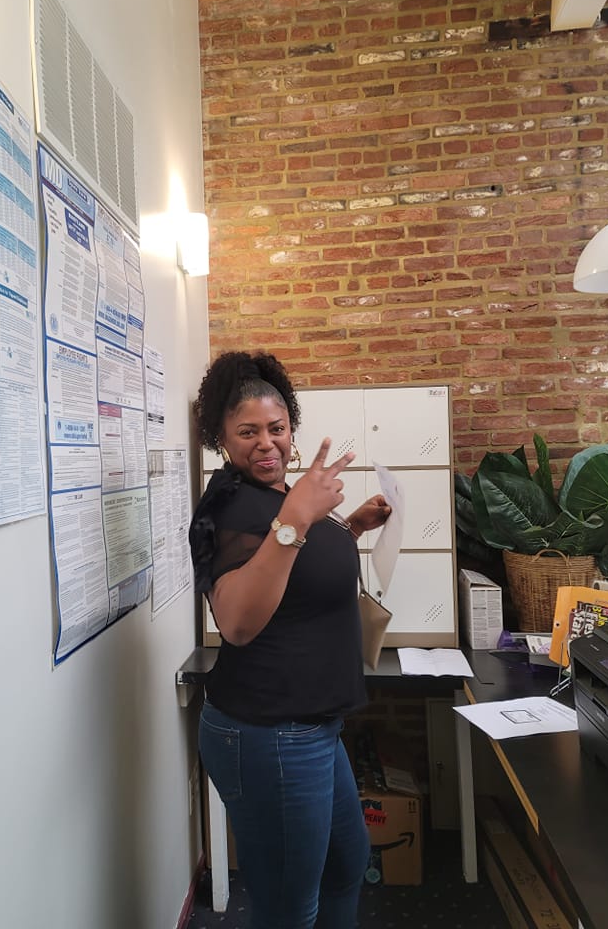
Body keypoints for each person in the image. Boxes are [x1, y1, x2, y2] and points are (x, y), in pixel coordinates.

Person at [188, 350, 391, 929]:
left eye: (276, 428)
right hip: (269, 732)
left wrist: (350, 526)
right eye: (247, 432)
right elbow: (238, 621)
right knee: (288, 907)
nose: (266, 444)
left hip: (314, 724)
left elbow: (294, 571)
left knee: (344, 867)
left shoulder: (281, 497)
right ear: (222, 438)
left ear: (292, 428)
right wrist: (298, 517)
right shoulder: (228, 505)